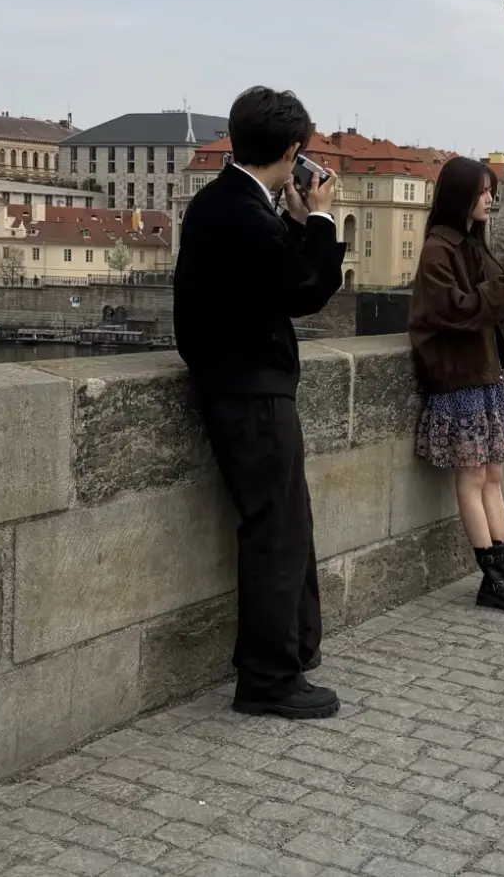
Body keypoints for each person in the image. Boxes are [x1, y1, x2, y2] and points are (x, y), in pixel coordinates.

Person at [174, 86, 345, 719]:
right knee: (275, 533)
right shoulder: (242, 211)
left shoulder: (227, 202)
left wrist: (296, 221)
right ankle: (268, 680)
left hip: (241, 386)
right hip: (251, 392)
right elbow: (302, 288)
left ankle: (295, 648)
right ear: (293, 150)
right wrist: (321, 219)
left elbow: (270, 281)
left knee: (288, 523)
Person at [409, 157, 504, 615]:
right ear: (460, 194)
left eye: (490, 190)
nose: (489, 198)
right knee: (474, 476)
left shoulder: (474, 246)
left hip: (483, 377)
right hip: (459, 379)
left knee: (492, 475)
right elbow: (460, 310)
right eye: (482, 191)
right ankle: (494, 581)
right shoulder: (439, 248)